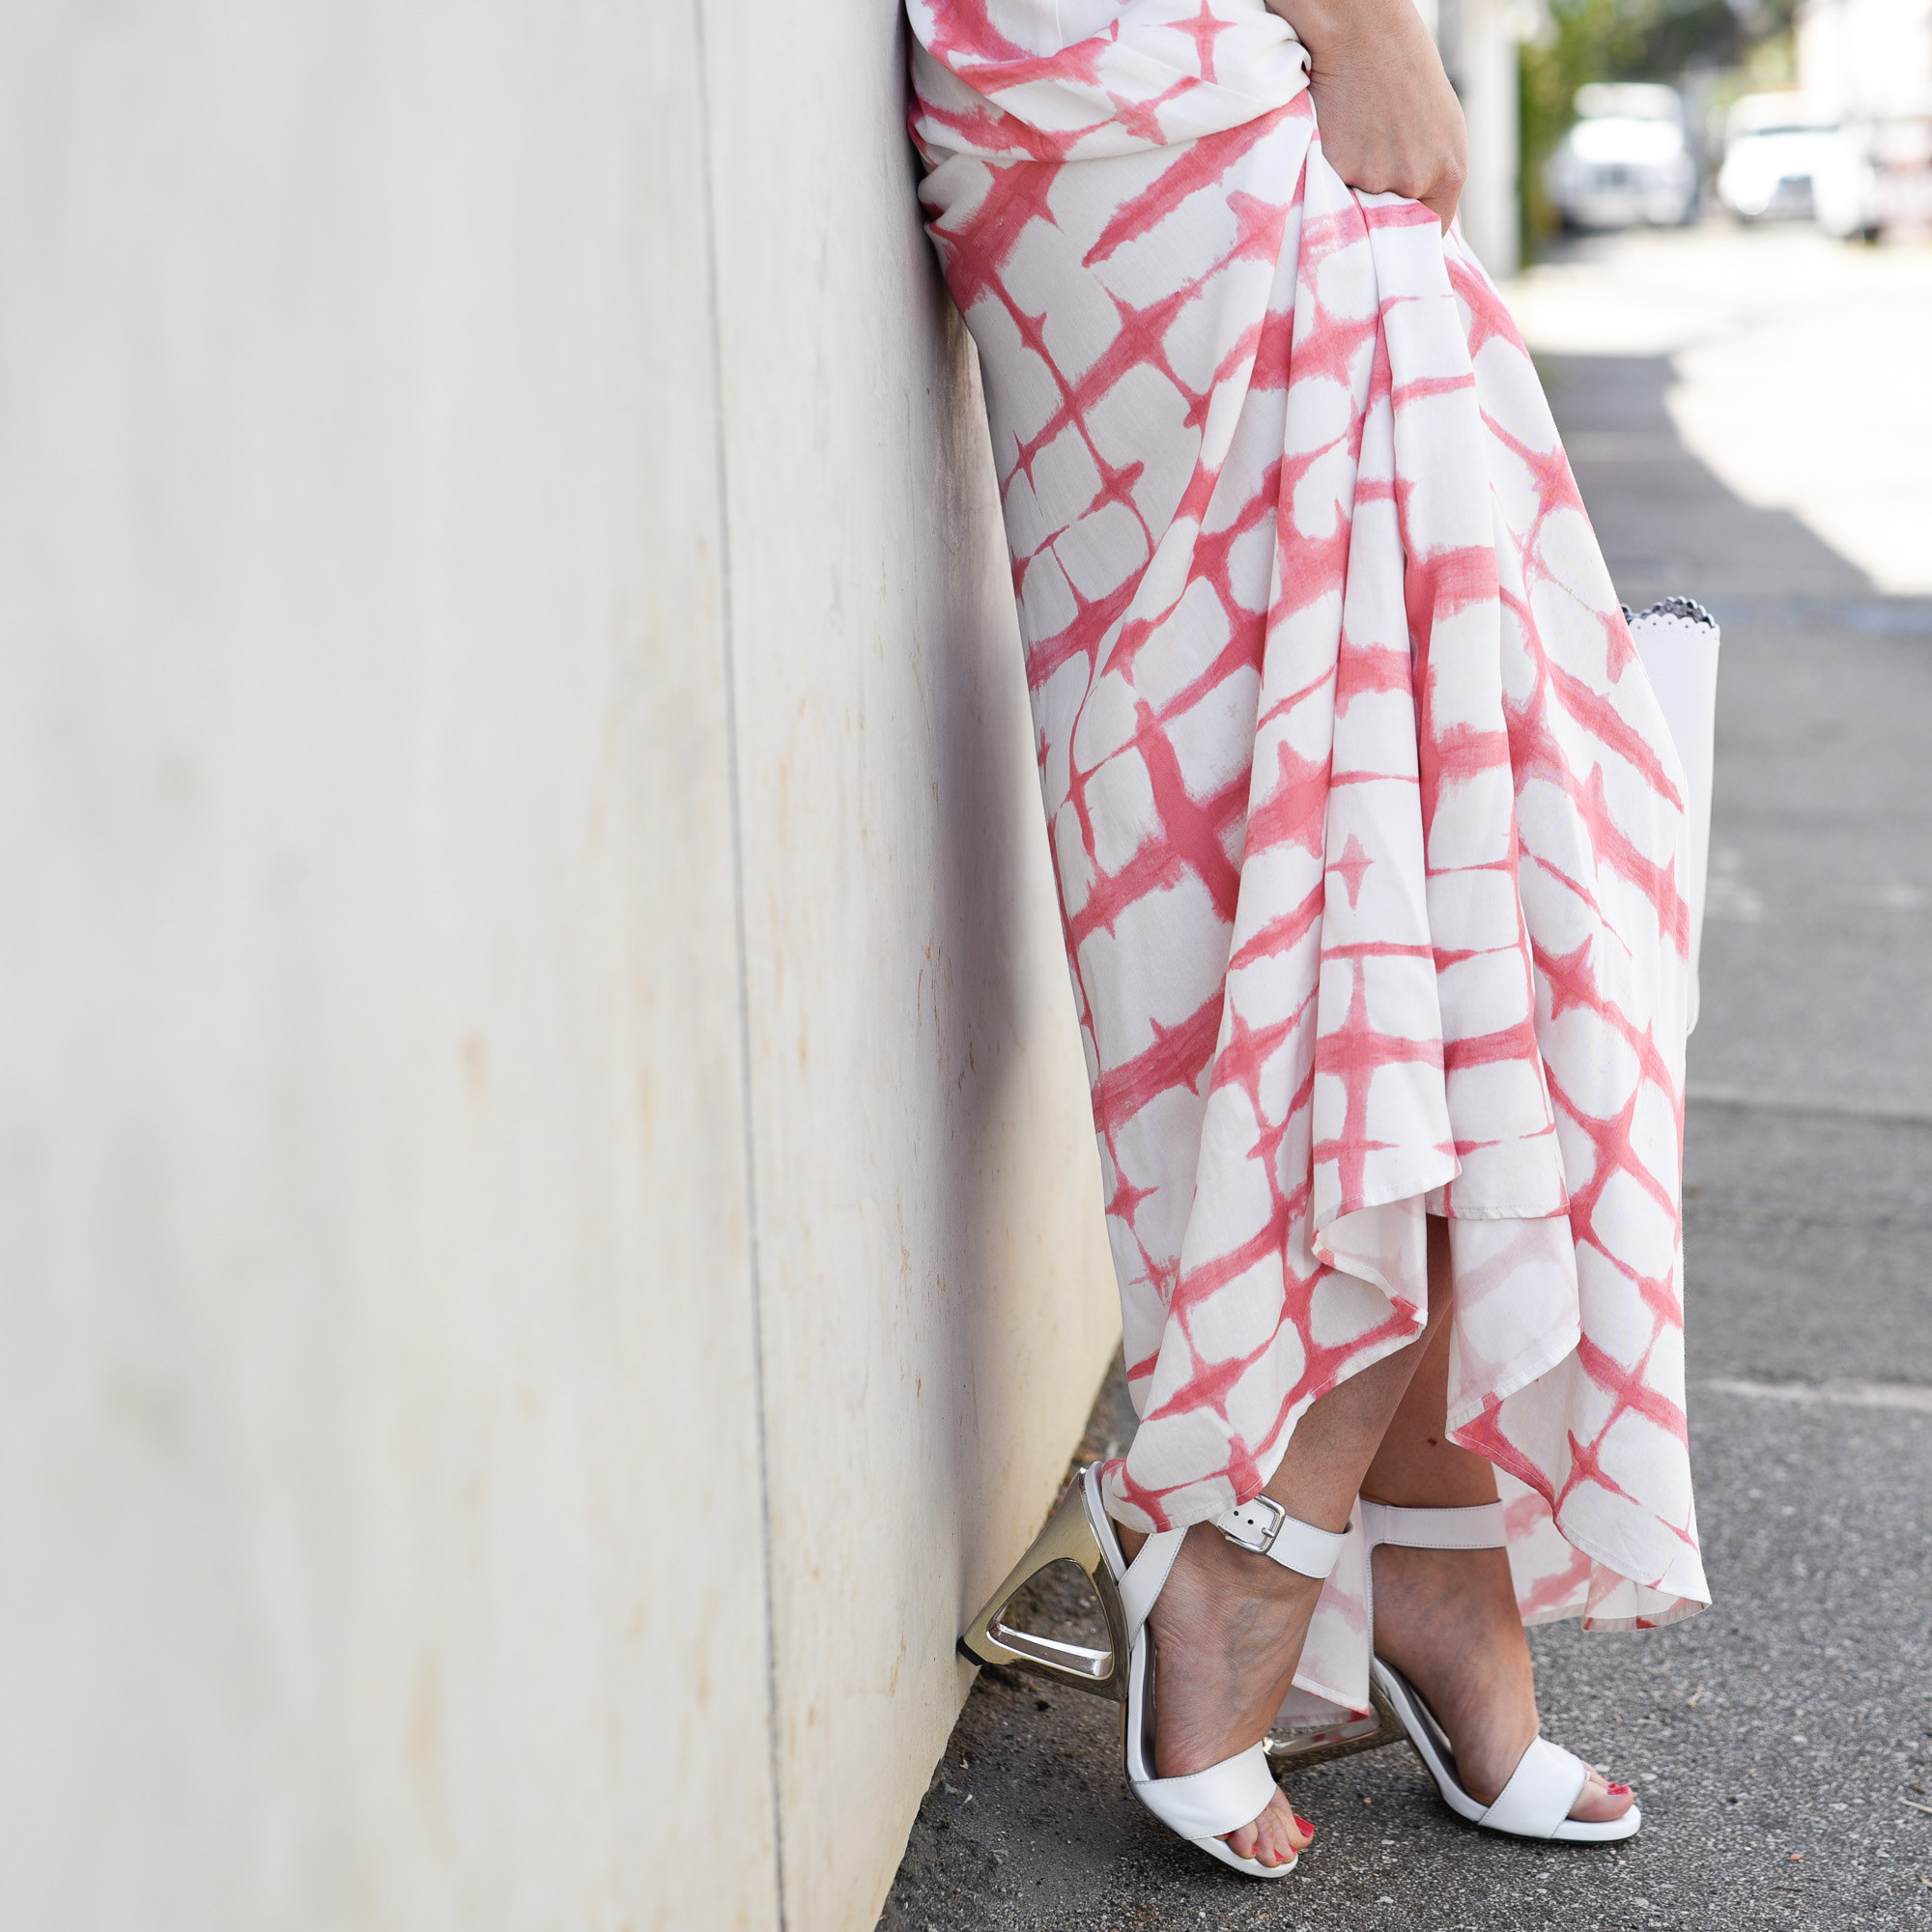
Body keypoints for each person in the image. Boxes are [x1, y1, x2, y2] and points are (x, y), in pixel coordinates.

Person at [912, 0, 1710, 1883]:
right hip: (1175, 72)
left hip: (1210, 82)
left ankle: (1420, 1549)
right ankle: (1249, 1536)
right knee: (1388, 844)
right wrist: (1362, 18)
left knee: (1433, 821)